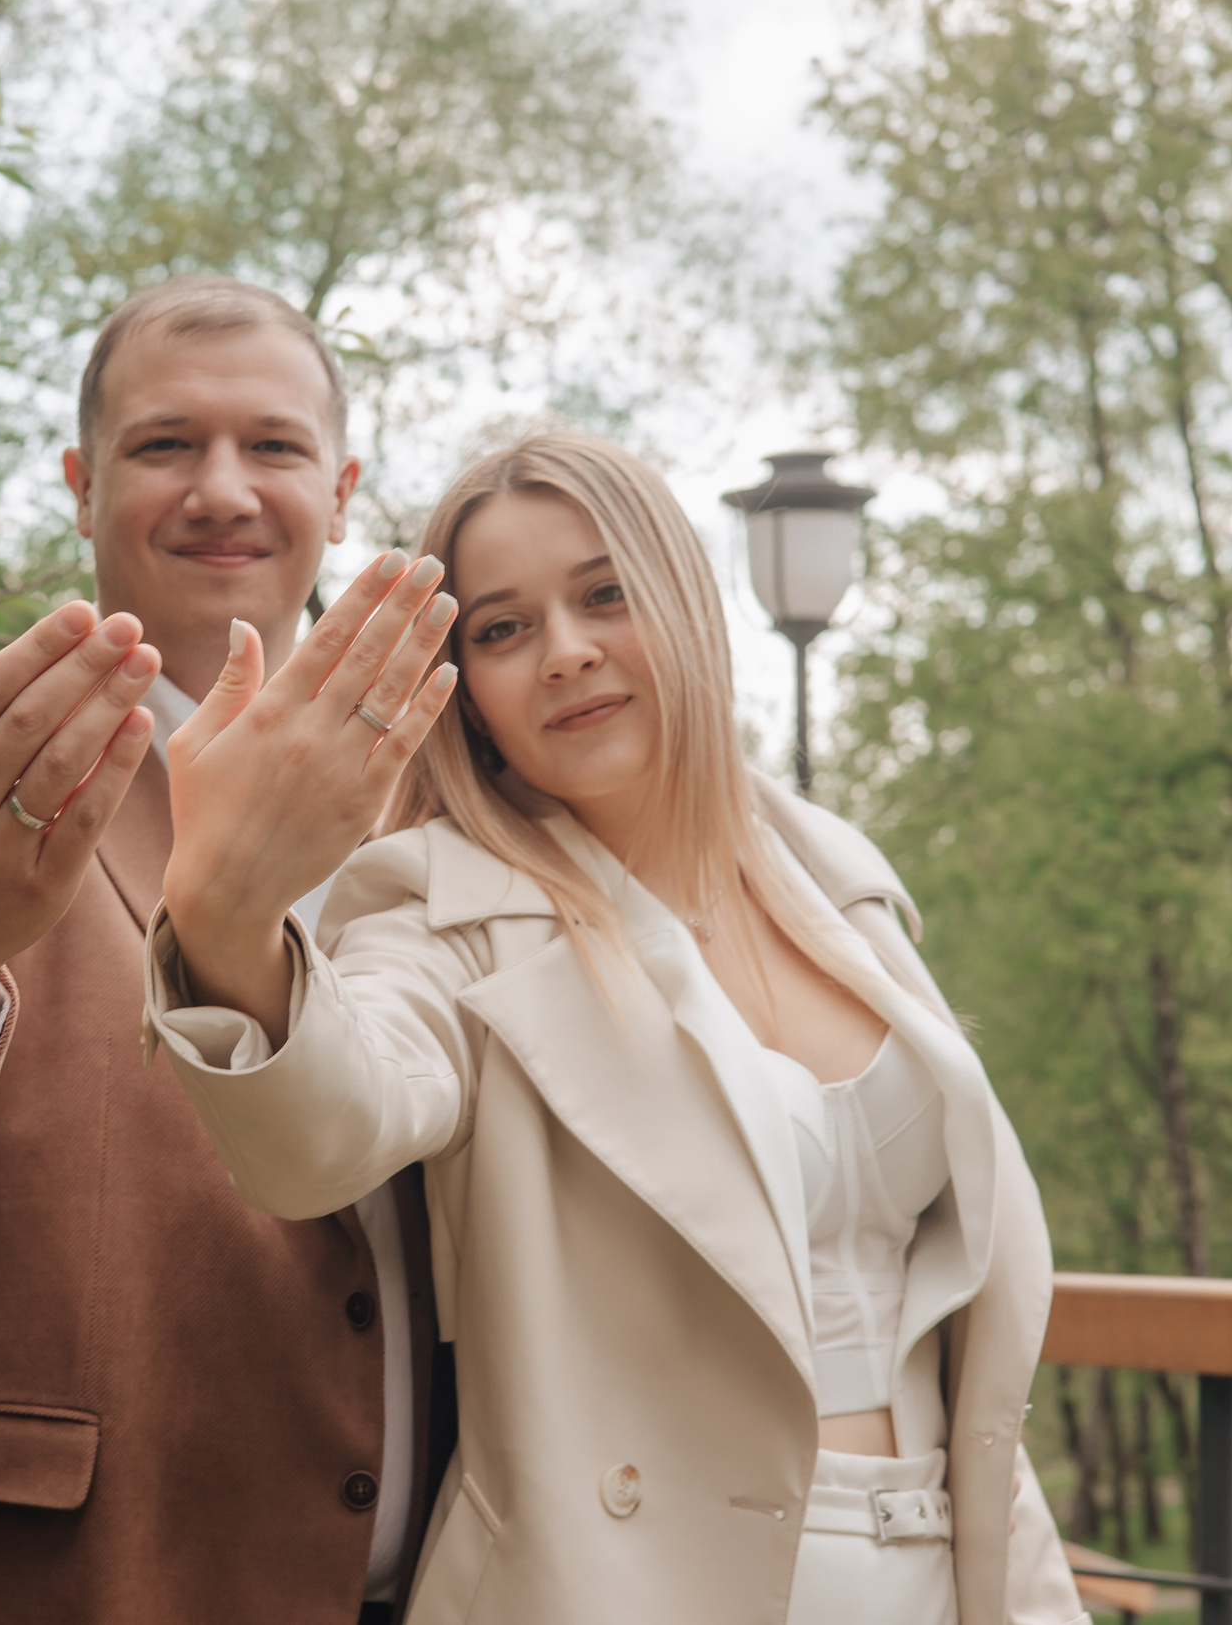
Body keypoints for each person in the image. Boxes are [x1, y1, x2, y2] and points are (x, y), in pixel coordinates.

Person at [144, 433, 1088, 1624]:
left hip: (936, 1572)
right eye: (502, 628)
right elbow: (327, 1133)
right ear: (465, 691)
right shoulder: (437, 905)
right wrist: (227, 918)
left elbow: (962, 1350)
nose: (566, 652)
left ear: (684, 599)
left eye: (603, 595)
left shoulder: (833, 877)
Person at [0, 276, 448, 1625]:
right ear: (81, 484)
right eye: (166, 443)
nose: (223, 490)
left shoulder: (434, 802)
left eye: (274, 445)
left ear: (342, 490)